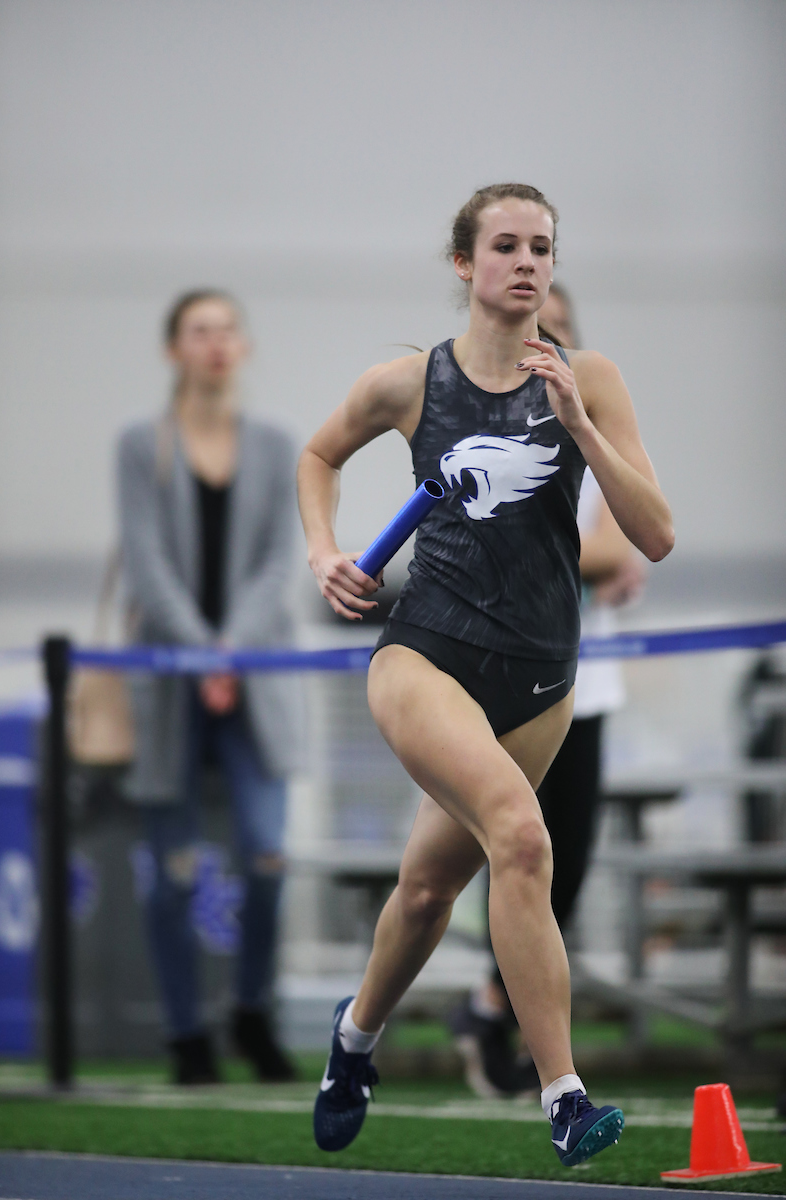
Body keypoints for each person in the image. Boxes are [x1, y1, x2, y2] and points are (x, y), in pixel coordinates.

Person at [298, 182, 674, 1166]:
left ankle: (353, 1040)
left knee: (424, 894)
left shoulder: (589, 376)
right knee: (520, 837)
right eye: (503, 245)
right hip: (425, 651)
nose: (524, 262)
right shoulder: (408, 381)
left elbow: (656, 536)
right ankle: (561, 1092)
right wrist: (321, 552)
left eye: (539, 246)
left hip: (541, 675)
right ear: (464, 264)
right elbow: (317, 454)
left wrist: (581, 429)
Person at [451, 283, 648, 1099]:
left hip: (585, 684)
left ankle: (494, 1008)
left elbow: (636, 541)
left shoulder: (595, 431)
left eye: (560, 332)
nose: (545, 344)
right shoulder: (475, 425)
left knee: (564, 864)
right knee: (504, 857)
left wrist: (594, 552)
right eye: (536, 329)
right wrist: (589, 557)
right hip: (496, 685)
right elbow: (588, 558)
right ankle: (500, 1031)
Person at [118, 290, 303, 1084]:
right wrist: (203, 654)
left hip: (255, 677)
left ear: (245, 346)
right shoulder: (142, 445)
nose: (217, 344)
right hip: (169, 682)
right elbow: (147, 562)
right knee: (174, 872)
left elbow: (277, 563)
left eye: (228, 330)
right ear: (174, 350)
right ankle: (186, 1032)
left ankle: (252, 1015)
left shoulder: (273, 444)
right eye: (201, 331)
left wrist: (231, 652)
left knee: (266, 856)